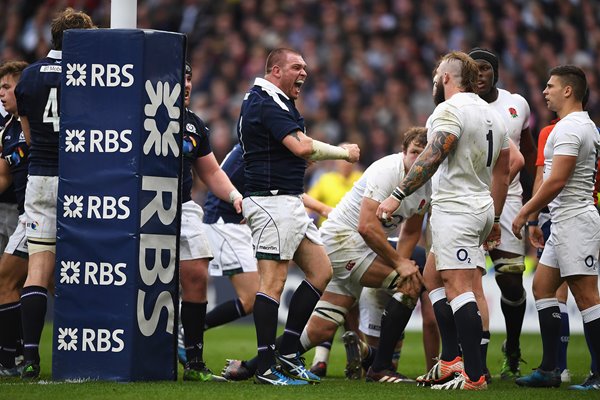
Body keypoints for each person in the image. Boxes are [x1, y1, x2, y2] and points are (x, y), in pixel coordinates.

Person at [224, 127, 427, 384]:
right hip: (344, 240)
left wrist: (405, 261)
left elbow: (411, 229)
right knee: (408, 285)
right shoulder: (388, 170)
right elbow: (366, 226)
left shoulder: (427, 183)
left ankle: (250, 367)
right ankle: (380, 367)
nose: (418, 160)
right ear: (403, 152)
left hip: (358, 246)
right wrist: (400, 265)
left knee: (320, 330)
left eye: (424, 155)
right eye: (414, 153)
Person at [377, 51, 510, 390]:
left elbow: (435, 152)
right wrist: (493, 215)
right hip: (478, 205)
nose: (435, 81)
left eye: (437, 75)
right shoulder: (491, 113)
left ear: (447, 78)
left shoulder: (449, 109)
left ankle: (475, 376)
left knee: (459, 287)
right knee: (432, 278)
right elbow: (504, 166)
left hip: (457, 209)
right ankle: (450, 359)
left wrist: (397, 195)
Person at [237, 47, 359, 385]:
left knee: (321, 271)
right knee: (273, 283)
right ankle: (265, 367)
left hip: (288, 201)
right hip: (272, 201)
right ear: (275, 70)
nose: (303, 72)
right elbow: (302, 147)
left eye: (305, 67)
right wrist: (343, 153)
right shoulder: (265, 100)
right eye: (296, 66)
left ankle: (288, 351)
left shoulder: (274, 101)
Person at [14, 8, 94, 379]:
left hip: (41, 176)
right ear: (82, 39)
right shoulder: (93, 77)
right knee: (84, 267)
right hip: (82, 179)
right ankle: (85, 348)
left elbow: (28, 138)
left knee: (38, 267)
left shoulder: (28, 77)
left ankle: (30, 357)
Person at [512, 65, 600, 390]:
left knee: (587, 297)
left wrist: (526, 212)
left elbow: (558, 180)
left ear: (568, 90)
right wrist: (538, 217)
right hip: (563, 221)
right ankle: (550, 370)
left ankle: (599, 375)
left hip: (576, 220)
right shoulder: (572, 126)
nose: (545, 91)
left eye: (550, 86)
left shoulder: (572, 128)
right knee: (543, 288)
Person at [468, 48, 536, 380]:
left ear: (495, 72)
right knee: (468, 280)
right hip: (470, 199)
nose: (479, 74)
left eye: (484, 69)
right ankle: (472, 358)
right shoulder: (459, 106)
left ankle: (512, 346)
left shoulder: (517, 104)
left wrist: (536, 202)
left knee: (510, 280)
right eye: (473, 70)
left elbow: (529, 151)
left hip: (510, 201)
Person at [177, 61, 244, 382]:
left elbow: (212, 172)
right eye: (180, 79)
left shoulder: (193, 125)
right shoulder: (138, 116)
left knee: (197, 271)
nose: (187, 84)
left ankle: (193, 360)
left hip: (182, 204)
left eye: (189, 78)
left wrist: (233, 196)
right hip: (140, 207)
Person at [0, 60, 29, 377]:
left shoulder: (38, 122)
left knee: (5, 280)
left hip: (41, 213)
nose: (2, 93)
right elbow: (3, 177)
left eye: (8, 86)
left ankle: (10, 360)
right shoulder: (9, 128)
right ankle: (19, 356)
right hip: (28, 214)